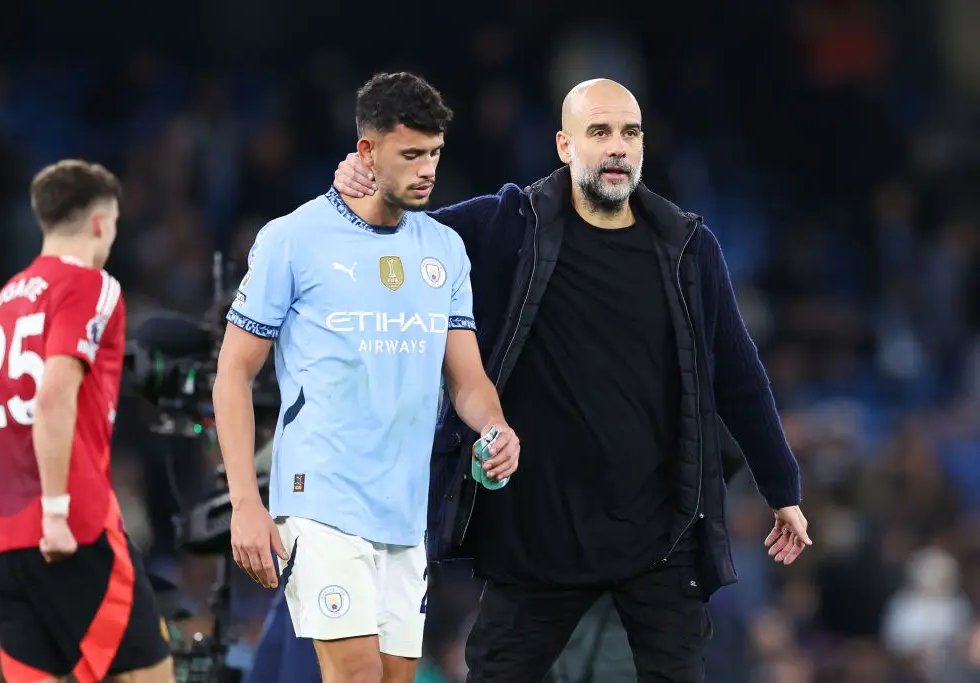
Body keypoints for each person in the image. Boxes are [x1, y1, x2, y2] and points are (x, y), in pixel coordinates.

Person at [333, 78, 811, 683]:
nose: (617, 147)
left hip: (657, 535)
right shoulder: (508, 227)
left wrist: (783, 488)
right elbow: (395, 237)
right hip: (540, 536)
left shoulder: (688, 247)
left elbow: (740, 374)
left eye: (630, 133)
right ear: (564, 145)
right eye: (600, 132)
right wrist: (361, 186)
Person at [213, 72, 520, 683]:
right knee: (353, 675)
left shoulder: (443, 250)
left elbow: (467, 380)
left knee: (391, 677)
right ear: (366, 152)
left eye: (433, 153)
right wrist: (246, 501)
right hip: (320, 496)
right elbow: (232, 374)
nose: (426, 169)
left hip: (405, 509)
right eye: (410, 154)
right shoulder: (293, 240)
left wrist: (496, 426)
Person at [0, 160, 174, 683]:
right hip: (71, 529)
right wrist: (58, 513)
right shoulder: (93, 285)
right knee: (148, 675)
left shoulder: (3, 302)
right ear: (98, 223)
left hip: (0, 537)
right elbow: (54, 394)